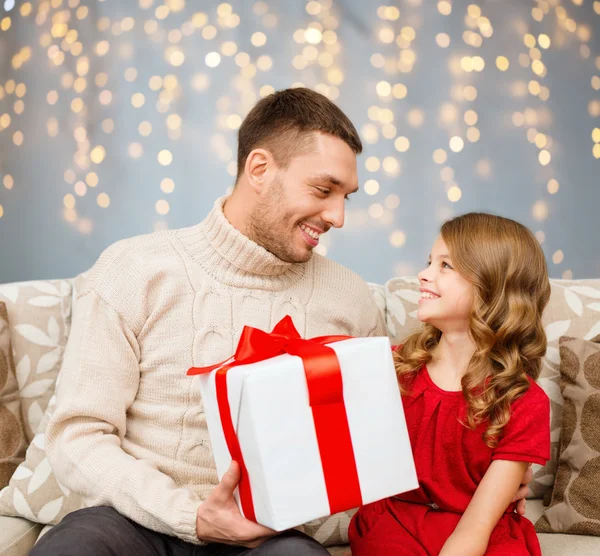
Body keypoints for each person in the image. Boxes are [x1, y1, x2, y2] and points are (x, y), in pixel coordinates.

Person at [32, 89, 531, 555]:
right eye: (323, 190)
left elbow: (383, 443)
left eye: (346, 197)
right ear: (259, 168)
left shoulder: (349, 298)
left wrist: (495, 481)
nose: (338, 216)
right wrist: (191, 516)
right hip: (135, 523)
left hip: (274, 536)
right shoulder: (133, 270)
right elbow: (78, 435)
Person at [349, 213, 551, 556]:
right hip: (397, 522)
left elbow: (477, 525)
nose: (423, 274)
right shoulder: (390, 368)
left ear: (493, 288)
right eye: (430, 262)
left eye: (446, 266)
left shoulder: (525, 401)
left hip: (480, 530)